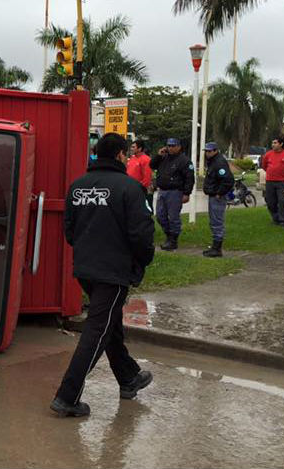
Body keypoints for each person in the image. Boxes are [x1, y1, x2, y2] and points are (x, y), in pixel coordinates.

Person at [50, 133, 154, 418]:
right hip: (113, 271)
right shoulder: (130, 189)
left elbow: (69, 230)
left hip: (86, 269)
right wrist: (141, 261)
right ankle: (67, 396)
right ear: (121, 154)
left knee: (109, 323)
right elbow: (142, 235)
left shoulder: (78, 186)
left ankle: (129, 377)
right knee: (97, 330)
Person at [149, 138, 195, 250]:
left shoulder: (184, 160)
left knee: (173, 217)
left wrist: (186, 193)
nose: (170, 148)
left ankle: (173, 240)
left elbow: (189, 178)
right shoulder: (164, 157)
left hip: (175, 192)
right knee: (160, 216)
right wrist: (158, 155)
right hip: (162, 191)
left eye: (173, 146)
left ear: (179, 147)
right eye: (169, 145)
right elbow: (152, 165)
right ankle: (169, 235)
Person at [201, 142, 234, 257]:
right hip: (213, 195)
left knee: (217, 222)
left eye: (210, 151)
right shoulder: (213, 162)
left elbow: (228, 180)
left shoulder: (219, 162)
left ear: (215, 151)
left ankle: (217, 248)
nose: (207, 153)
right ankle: (215, 246)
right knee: (214, 221)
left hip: (217, 196)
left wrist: (219, 193)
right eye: (206, 151)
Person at [261, 137, 284, 226]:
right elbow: (264, 166)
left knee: (282, 201)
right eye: (272, 143)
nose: (273, 144)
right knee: (270, 201)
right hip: (270, 181)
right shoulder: (268, 154)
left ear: (281, 144)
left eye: (275, 143)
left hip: (283, 182)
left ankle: (283, 220)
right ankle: (275, 218)